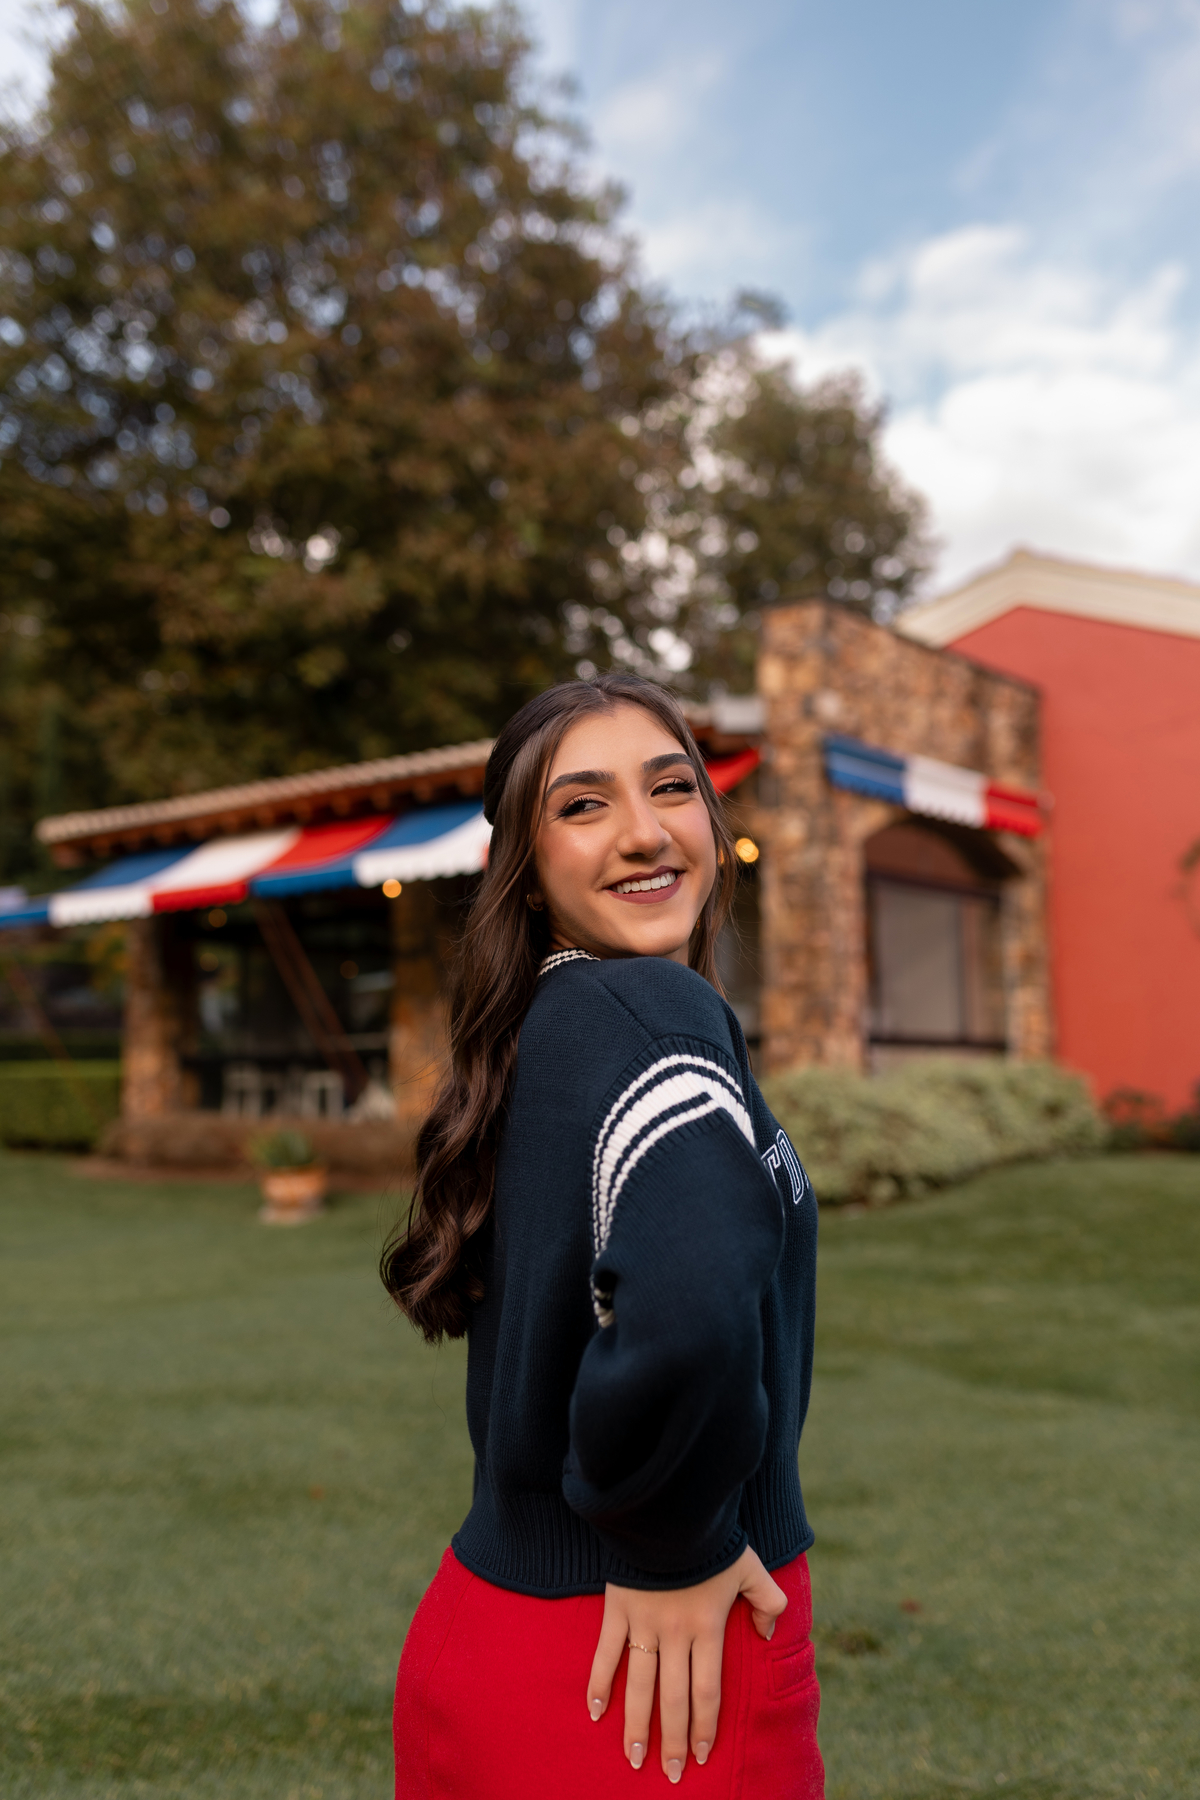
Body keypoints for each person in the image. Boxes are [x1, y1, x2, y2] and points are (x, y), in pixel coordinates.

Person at [383, 673, 823, 1797]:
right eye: (582, 806)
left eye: (672, 787)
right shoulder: (646, 1011)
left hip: (498, 1635)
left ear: (715, 828)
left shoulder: (552, 1026)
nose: (643, 832)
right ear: (525, 871)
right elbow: (689, 1299)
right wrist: (672, 1532)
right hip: (638, 1672)